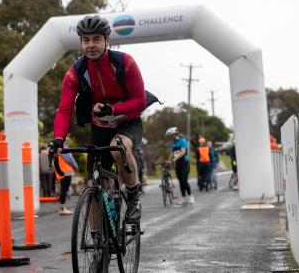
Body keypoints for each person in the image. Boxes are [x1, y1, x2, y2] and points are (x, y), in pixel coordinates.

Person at [49, 15, 151, 223]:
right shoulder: (75, 73)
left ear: (107, 41)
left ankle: (133, 196)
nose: (91, 45)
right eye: (86, 40)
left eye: (96, 39)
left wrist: (113, 109)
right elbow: (64, 109)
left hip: (127, 122)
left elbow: (139, 101)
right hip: (100, 128)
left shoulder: (125, 63)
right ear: (81, 43)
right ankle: (96, 242)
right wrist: (59, 138)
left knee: (117, 146)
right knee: (94, 185)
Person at [165, 127, 194, 205]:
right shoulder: (174, 142)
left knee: (184, 180)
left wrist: (174, 159)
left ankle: (190, 196)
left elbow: (183, 152)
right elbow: (172, 153)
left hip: (184, 162)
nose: (170, 138)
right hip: (178, 163)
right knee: (180, 181)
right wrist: (168, 160)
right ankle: (184, 198)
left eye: (170, 136)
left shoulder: (183, 141)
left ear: (174, 134)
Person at [54, 141, 78, 215]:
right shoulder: (64, 148)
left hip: (62, 171)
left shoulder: (57, 147)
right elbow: (70, 160)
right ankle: (62, 208)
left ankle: (62, 207)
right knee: (64, 190)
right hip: (66, 172)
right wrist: (76, 166)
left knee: (63, 189)